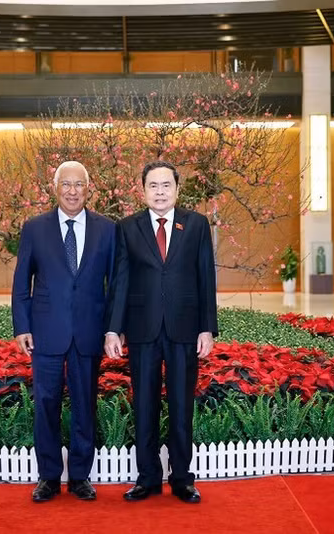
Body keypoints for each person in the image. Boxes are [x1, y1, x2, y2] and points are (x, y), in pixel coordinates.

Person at [105, 161, 218, 504]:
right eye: (152, 185)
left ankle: (183, 479)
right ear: (142, 191)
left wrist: (207, 328)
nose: (159, 191)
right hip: (143, 330)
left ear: (177, 189)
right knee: (144, 406)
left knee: (182, 407)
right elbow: (120, 281)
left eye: (165, 185)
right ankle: (148, 478)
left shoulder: (196, 224)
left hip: (185, 329)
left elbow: (205, 278)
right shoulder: (127, 227)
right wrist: (113, 329)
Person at [11, 161, 115, 503]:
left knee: (85, 405)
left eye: (79, 184)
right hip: (46, 332)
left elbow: (115, 285)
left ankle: (81, 477)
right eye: (66, 184)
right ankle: (49, 477)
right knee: (46, 404)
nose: (72, 190)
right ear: (55, 188)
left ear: (88, 188)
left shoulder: (107, 229)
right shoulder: (34, 228)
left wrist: (113, 329)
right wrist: (22, 326)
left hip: (88, 331)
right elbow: (21, 282)